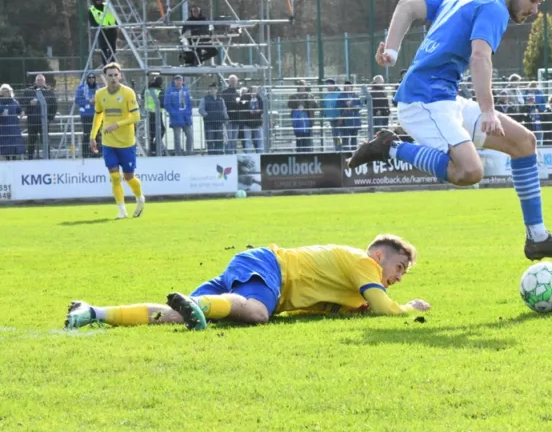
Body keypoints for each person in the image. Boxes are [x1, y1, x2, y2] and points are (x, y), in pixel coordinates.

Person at [347, 0, 552, 263]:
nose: (535, 9)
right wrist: (488, 110)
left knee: (524, 143)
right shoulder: (495, 8)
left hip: (445, 98)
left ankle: (537, 237)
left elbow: (407, 6)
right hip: (423, 100)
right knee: (470, 172)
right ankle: (389, 147)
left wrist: (392, 50)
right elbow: (479, 57)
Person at [64, 234, 429, 331]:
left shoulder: (356, 287)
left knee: (174, 316)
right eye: (398, 267)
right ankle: (200, 305)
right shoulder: (364, 264)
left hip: (257, 272)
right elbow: (383, 309)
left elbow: (362, 309)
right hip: (269, 267)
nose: (398, 277)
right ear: (379, 256)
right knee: (256, 313)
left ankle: (93, 312)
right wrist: (408, 308)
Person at [90, 62, 145, 219]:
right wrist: (93, 136)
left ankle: (140, 198)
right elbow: (98, 115)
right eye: (110, 75)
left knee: (128, 177)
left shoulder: (128, 93)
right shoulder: (100, 94)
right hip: (108, 142)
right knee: (114, 177)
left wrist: (117, 124)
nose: (113, 78)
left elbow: (136, 116)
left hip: (126, 142)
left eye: (116, 75)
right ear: (105, 77)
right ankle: (122, 210)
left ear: (120, 75)